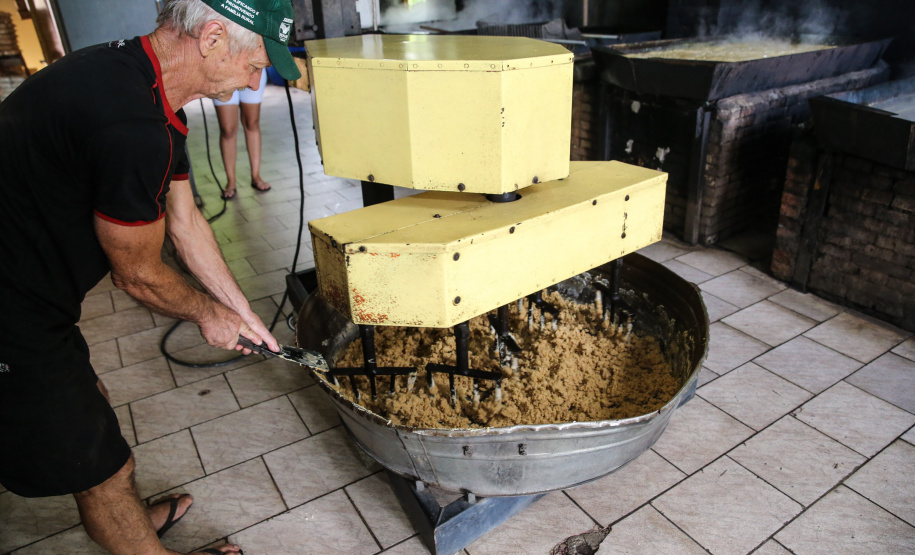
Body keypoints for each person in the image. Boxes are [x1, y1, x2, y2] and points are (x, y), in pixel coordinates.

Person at [0, 0, 301, 553]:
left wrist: (240, 312)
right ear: (212, 38)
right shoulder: (131, 127)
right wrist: (208, 316)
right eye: (256, 64)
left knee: (88, 401)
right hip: (12, 307)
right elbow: (136, 275)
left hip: (29, 285)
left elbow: (185, 224)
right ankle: (121, 514)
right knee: (105, 470)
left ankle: (124, 518)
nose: (256, 78)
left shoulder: (145, 85)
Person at [214, 67, 272, 199]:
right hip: (222, 70)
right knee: (227, 129)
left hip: (252, 68)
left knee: (251, 123)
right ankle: (231, 182)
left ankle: (256, 176)